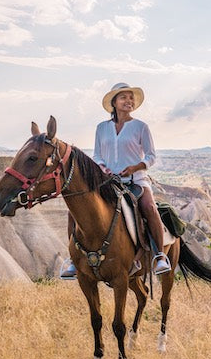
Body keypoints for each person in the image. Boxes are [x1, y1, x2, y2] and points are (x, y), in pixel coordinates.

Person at [61, 82, 171, 278]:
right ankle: (73, 260)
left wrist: (136, 167)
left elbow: (151, 156)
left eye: (131, 98)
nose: (129, 101)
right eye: (124, 97)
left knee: (149, 207)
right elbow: (97, 155)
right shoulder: (102, 128)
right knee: (75, 211)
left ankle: (160, 256)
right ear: (114, 102)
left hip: (136, 180)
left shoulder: (140, 127)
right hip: (107, 182)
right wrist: (102, 167)